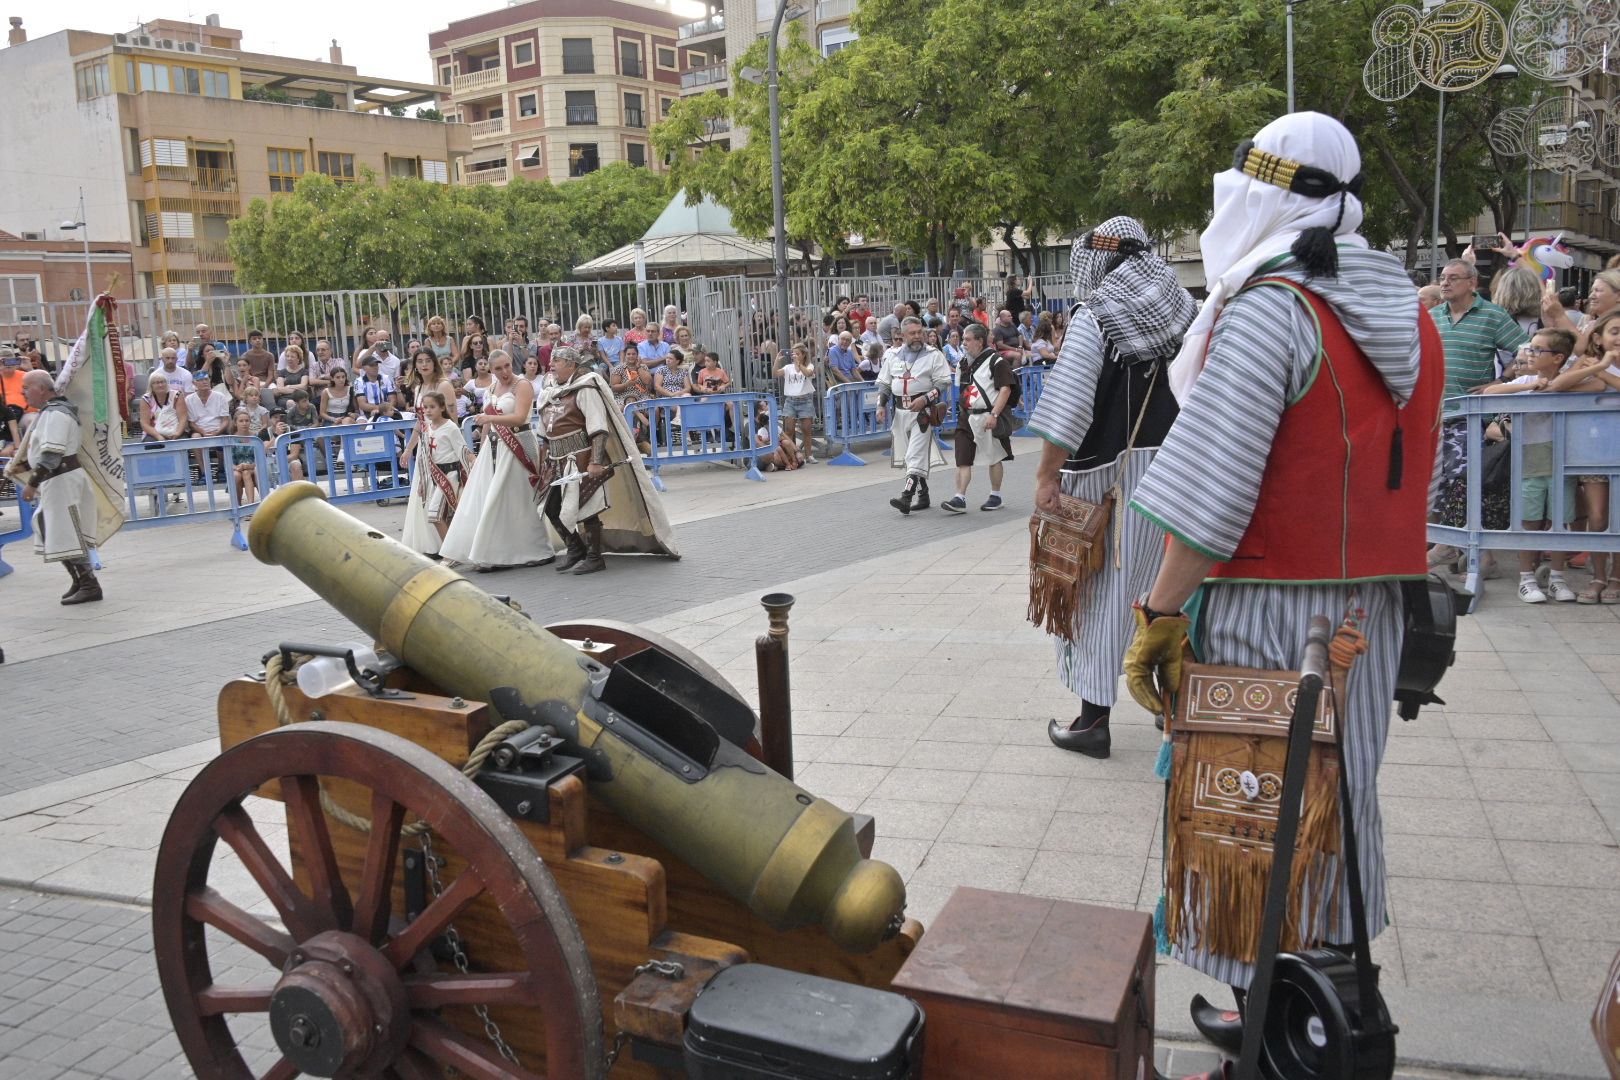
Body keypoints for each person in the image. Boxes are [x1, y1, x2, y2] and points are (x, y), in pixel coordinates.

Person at [1123, 113, 1442, 1075]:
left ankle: (1268, 1030)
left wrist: (1161, 614)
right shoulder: (1409, 310)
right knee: (1336, 810)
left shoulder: (1272, 306)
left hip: (1269, 613)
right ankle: (1328, 1005)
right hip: (1367, 615)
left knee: (1250, 820)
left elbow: (1214, 492)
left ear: (1264, 196)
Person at [1027, 217, 1198, 757]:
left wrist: (1045, 475)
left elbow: (1070, 404)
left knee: (1097, 595)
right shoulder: (1188, 314)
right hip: (1181, 468)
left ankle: (1091, 721)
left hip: (1112, 478)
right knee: (1167, 590)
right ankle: (1170, 706)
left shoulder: (1097, 315)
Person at [539, 344, 680, 572]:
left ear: (571, 365)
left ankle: (595, 557)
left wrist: (595, 461)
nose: (551, 366)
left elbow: (598, 428)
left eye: (557, 361)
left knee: (588, 508)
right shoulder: (551, 390)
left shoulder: (586, 388)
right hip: (557, 460)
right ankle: (575, 548)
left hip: (582, 458)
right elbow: (545, 431)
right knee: (551, 507)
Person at [1482, 328, 1579, 602]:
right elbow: (1491, 391)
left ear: (1559, 358)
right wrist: (1527, 386)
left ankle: (1558, 577)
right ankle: (1526, 578)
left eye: (1538, 349)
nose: (1531, 353)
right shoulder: (1525, 378)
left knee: (1560, 522)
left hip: (1563, 462)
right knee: (1529, 521)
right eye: (1531, 348)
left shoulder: (1569, 381)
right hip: (1529, 462)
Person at [440, 350, 553, 571]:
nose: (504, 372)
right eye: (498, 368)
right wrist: (481, 449)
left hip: (518, 444)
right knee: (487, 498)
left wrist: (490, 418)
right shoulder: (491, 388)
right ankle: (491, 550)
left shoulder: (522, 385)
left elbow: (520, 417)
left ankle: (533, 549)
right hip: (494, 446)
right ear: (491, 370)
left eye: (507, 366)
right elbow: (487, 425)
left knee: (515, 499)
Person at [4, 370, 105, 603]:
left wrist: (31, 484)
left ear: (42, 388)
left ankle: (90, 585)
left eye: (26, 388)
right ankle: (80, 580)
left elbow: (53, 454)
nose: (23, 393)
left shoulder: (57, 413)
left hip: (63, 480)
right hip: (57, 480)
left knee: (66, 532)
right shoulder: (49, 413)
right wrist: (26, 464)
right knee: (51, 529)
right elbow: (46, 451)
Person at [875, 317, 952, 514]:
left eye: (920, 332)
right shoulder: (892, 356)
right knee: (908, 455)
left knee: (914, 453)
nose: (918, 336)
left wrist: (926, 399)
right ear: (902, 335)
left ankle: (906, 496)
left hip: (923, 413)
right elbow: (885, 383)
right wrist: (880, 405)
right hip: (900, 412)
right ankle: (923, 494)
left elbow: (943, 382)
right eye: (913, 333)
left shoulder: (934, 355)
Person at [942, 322, 1016, 515]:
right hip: (967, 417)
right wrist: (962, 409)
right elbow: (964, 390)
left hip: (988, 417)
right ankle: (959, 497)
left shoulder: (997, 361)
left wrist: (994, 415)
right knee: (962, 459)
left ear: (979, 341)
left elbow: (1005, 389)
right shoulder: (963, 364)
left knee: (994, 457)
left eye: (967, 340)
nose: (963, 343)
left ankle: (996, 495)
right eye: (962, 339)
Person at [401, 391, 472, 555]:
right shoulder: (427, 429)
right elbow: (426, 457)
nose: (428, 410)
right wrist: (423, 482)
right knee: (444, 517)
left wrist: (473, 462)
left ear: (441, 407)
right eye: (425, 407)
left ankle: (451, 553)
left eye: (432, 407)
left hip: (451, 475)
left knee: (436, 516)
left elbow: (463, 449)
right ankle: (455, 551)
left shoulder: (450, 427)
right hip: (435, 477)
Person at [775, 343, 819, 464]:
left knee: (806, 430)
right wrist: (777, 360)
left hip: (805, 400)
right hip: (791, 401)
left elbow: (808, 373)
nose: (794, 355)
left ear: (803, 355)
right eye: (793, 353)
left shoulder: (809, 365)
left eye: (797, 354)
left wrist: (798, 363)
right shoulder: (788, 367)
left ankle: (809, 455)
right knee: (789, 430)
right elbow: (775, 373)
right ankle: (793, 454)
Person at [139, 371, 187, 443]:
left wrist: (177, 434)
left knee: (182, 442)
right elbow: (144, 423)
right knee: (151, 444)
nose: (160, 385)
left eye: (163, 382)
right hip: (154, 433)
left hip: (176, 430)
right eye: (157, 383)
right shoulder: (146, 399)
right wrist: (158, 436)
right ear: (151, 385)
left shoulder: (177, 395)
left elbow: (183, 418)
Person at [228, 409, 261, 504]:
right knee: (237, 475)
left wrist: (249, 466)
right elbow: (229, 461)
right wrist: (238, 467)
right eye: (241, 421)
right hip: (237, 469)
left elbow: (261, 458)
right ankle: (237, 505)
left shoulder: (256, 437)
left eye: (247, 421)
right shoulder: (231, 439)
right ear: (235, 423)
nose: (244, 423)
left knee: (247, 472)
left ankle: (251, 505)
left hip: (253, 467)